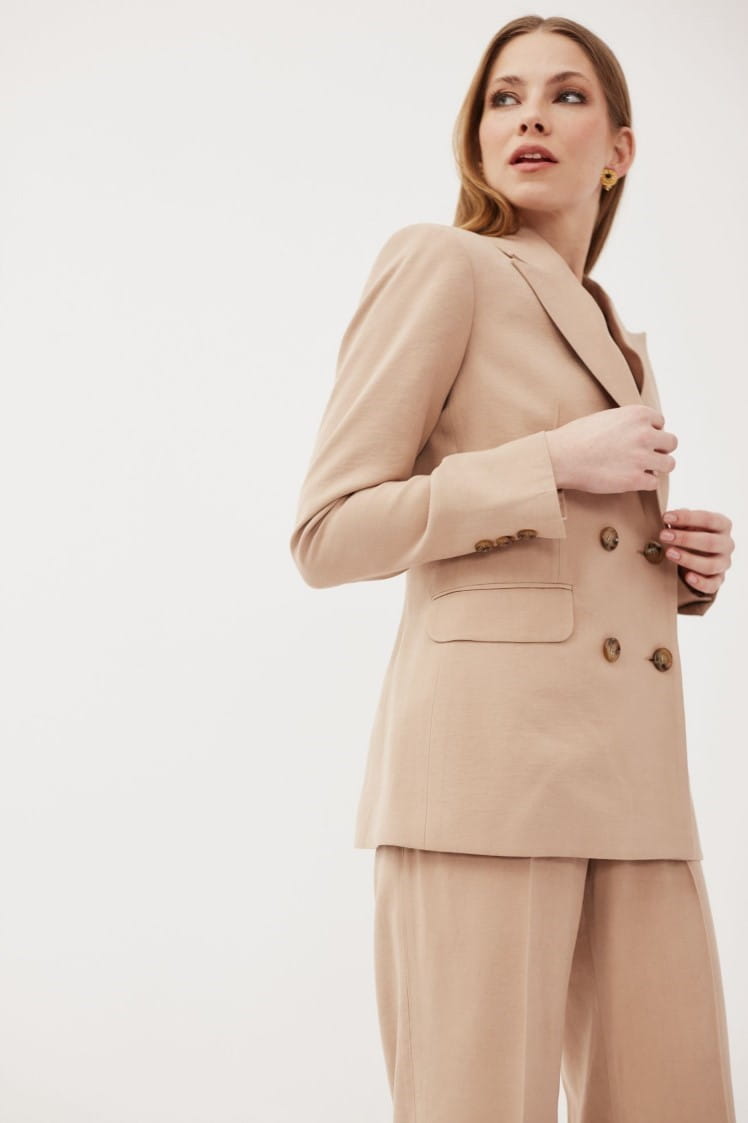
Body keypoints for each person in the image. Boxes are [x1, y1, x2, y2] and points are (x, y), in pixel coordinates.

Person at [288, 14, 737, 1122]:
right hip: (483, 786)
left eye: (565, 95)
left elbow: (573, 554)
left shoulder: (613, 329)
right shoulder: (443, 263)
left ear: (618, 150)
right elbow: (328, 532)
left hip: (634, 788)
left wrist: (681, 568)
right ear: (477, 134)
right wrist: (548, 463)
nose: (529, 115)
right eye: (504, 97)